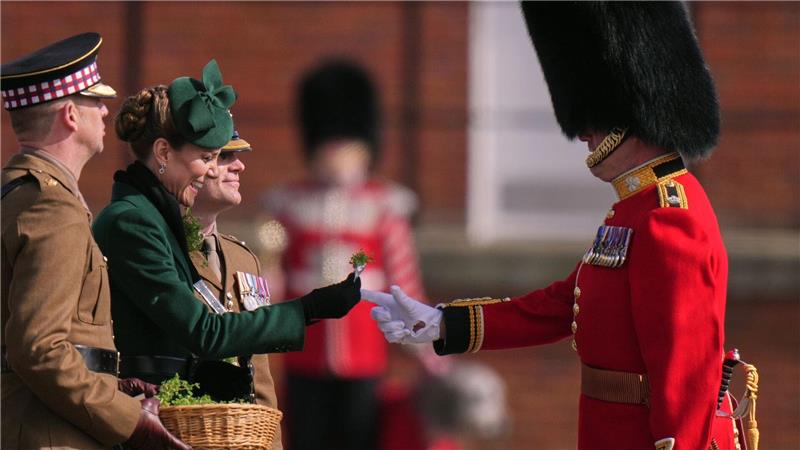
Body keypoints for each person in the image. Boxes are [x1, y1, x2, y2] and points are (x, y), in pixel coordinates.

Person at [364, 3, 746, 450]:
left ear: (634, 114)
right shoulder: (633, 210)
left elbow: (685, 374)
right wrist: (442, 324)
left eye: (596, 115)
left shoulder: (668, 218)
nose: (584, 132)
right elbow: (565, 305)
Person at [91, 60, 361, 395]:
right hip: (153, 416)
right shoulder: (133, 222)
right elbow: (204, 332)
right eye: (209, 158)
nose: (217, 169)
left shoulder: (165, 226)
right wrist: (308, 309)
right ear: (163, 152)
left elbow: (253, 373)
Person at [1, 33, 187, 449]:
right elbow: (38, 349)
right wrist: (131, 423)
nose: (105, 110)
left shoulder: (15, 193)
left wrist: (107, 381)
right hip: (50, 435)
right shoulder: (53, 207)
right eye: (95, 100)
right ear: (70, 114)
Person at [263, 59, 427, 450]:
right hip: (304, 349)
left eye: (345, 145)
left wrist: (429, 351)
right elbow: (269, 272)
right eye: (329, 144)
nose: (336, 154)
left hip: (364, 351)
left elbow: (404, 283)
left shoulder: (386, 206)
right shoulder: (285, 206)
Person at [188, 128, 286, 449]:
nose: (239, 166)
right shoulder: (155, 251)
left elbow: (260, 378)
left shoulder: (244, 259)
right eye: (224, 156)